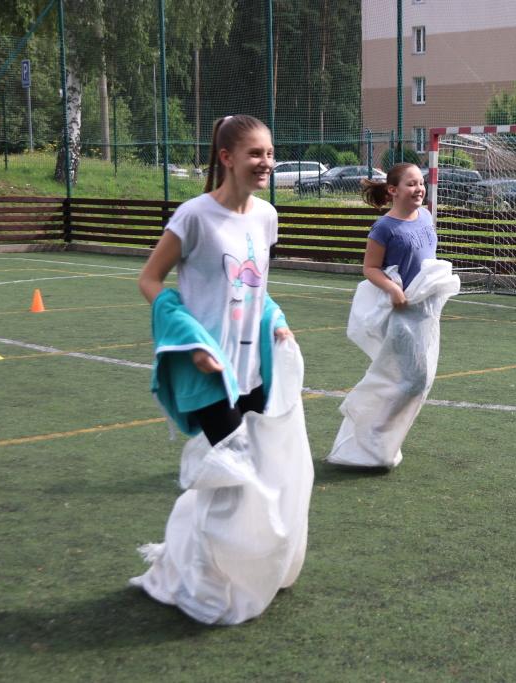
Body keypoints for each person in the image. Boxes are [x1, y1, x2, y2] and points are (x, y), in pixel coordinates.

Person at [132, 114, 313, 625]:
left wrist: (278, 321)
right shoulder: (194, 216)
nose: (266, 162)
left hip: (254, 370)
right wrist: (190, 343)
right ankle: (205, 582)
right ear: (227, 158)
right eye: (255, 153)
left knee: (253, 476)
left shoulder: (267, 216)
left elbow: (255, 288)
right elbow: (150, 280)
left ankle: (210, 565)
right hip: (210, 373)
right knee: (237, 480)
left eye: (270, 153)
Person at [325, 163, 460, 469]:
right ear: (393, 190)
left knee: (416, 381)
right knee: (411, 380)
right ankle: (367, 432)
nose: (419, 188)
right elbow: (370, 268)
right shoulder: (384, 228)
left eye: (421, 182)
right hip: (400, 313)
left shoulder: (425, 216)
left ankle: (378, 440)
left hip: (425, 312)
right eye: (411, 184)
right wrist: (392, 289)